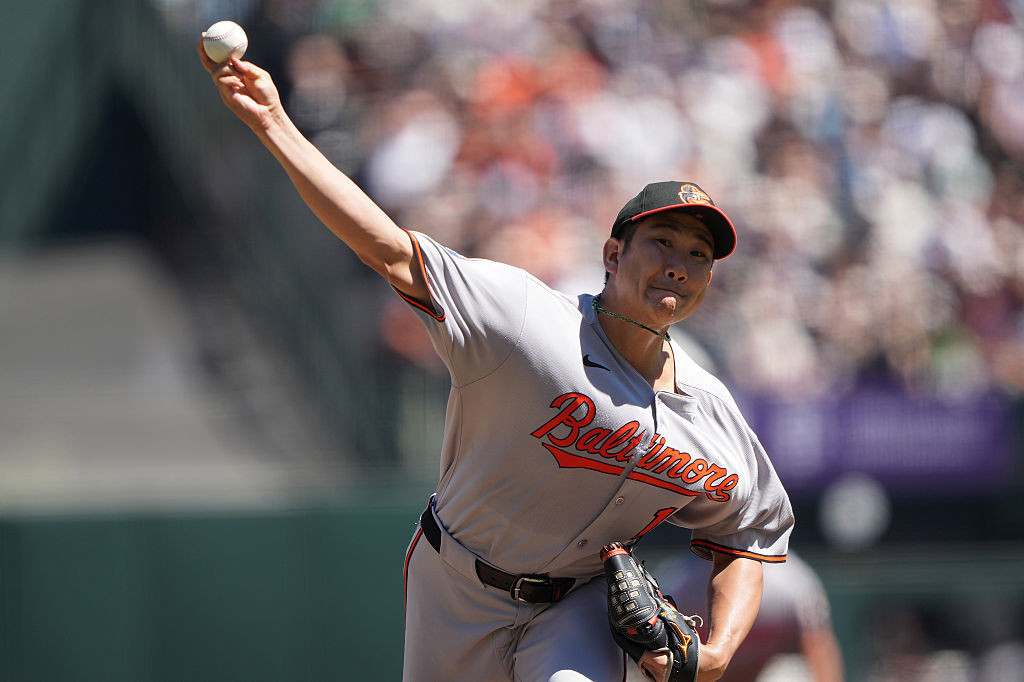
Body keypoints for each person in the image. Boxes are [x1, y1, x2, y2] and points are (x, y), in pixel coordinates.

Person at [198, 38, 794, 682]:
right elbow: (389, 250)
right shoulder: (526, 321)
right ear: (613, 255)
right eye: (662, 241)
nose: (679, 263)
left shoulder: (710, 413)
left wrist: (718, 651)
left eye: (699, 255)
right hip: (455, 585)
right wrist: (276, 124)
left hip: (578, 604)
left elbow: (749, 531)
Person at [656, 550, 845, 681]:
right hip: (706, 678)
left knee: (788, 674)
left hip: (763, 674)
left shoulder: (789, 580)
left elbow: (820, 650)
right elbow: (659, 660)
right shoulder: (681, 581)